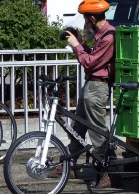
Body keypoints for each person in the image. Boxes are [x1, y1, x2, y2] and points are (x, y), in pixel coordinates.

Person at [50, 0, 122, 188]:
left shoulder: (109, 37)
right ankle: (69, 163)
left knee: (98, 132)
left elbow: (90, 62)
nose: (84, 23)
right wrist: (80, 42)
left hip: (98, 88)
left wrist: (76, 45)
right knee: (77, 127)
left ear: (91, 18)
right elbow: (93, 56)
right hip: (90, 86)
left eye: (84, 19)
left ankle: (110, 171)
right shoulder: (100, 36)